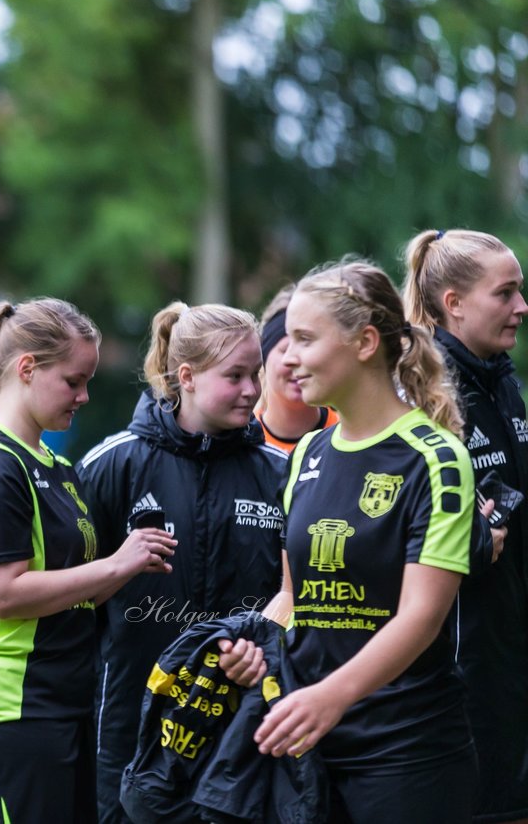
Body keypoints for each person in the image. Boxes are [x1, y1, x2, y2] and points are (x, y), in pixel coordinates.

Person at [220, 259, 491, 823]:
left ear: (366, 342)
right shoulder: (309, 457)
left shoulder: (436, 458)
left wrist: (332, 696)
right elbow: (294, 597)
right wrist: (253, 645)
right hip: (311, 752)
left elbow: (421, 618)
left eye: (303, 339)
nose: (286, 357)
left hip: (408, 755)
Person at [0, 298, 176, 823]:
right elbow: (5, 595)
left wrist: (140, 564)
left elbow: (78, 590)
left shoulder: (59, 466)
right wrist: (118, 564)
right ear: (27, 368)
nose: (84, 396)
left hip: (67, 705)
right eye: (73, 381)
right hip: (6, 710)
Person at [75, 302, 287, 824]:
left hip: (245, 721)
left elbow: (298, 595)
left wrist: (264, 648)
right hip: (129, 724)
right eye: (234, 375)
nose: (252, 389)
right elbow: (68, 596)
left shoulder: (281, 474)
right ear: (186, 376)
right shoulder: (113, 465)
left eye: (255, 373)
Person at [401, 229, 528, 824]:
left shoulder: (503, 380)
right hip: (458, 668)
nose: (521, 307)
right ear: (454, 302)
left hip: (509, 650)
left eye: (520, 291)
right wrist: (474, 538)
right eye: (505, 294)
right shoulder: (424, 389)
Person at [257, 285, 339, 452]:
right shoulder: (246, 438)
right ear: (264, 356)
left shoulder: (343, 434)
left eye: (307, 346)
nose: (295, 359)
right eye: (285, 349)